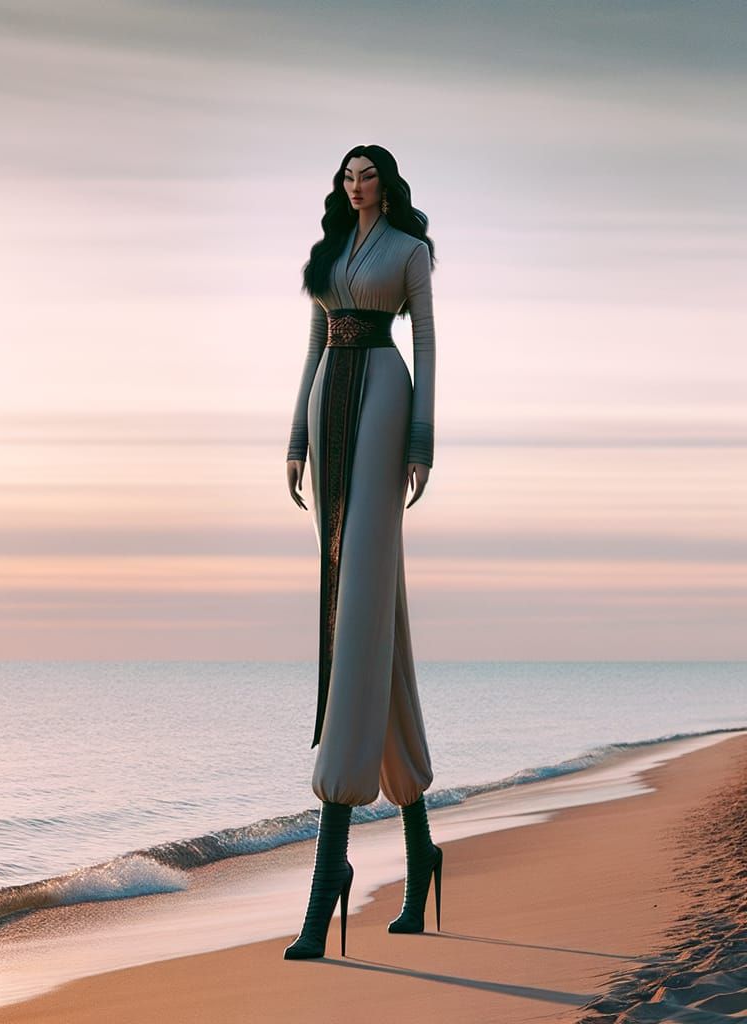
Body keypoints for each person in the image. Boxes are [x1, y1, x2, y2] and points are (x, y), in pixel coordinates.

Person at [282, 144, 443, 960]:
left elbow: (430, 347)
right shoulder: (327, 254)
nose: (355, 184)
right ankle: (420, 851)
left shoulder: (409, 253)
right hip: (328, 401)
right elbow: (312, 345)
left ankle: (328, 867)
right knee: (363, 609)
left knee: (356, 615)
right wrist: (292, 440)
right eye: (346, 175)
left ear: (386, 181)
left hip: (383, 393)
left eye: (366, 173)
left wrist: (423, 440)